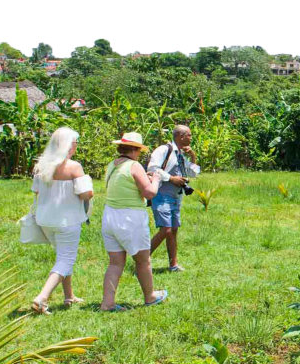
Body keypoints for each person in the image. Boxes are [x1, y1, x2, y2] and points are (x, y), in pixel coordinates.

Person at [29, 127, 94, 315]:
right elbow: (85, 195)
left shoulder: (42, 165)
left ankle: (69, 295)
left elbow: (36, 190)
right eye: (75, 143)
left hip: (45, 220)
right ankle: (42, 298)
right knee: (65, 259)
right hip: (67, 220)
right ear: (68, 145)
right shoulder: (74, 166)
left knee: (62, 256)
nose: (76, 147)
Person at [100, 132, 167, 311]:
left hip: (109, 216)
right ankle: (150, 297)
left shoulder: (112, 165)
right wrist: (156, 180)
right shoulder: (134, 166)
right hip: (129, 218)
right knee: (143, 261)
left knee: (115, 262)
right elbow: (149, 193)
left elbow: (126, 183)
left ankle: (107, 303)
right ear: (136, 150)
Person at [147, 125, 200, 272]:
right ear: (180, 136)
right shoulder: (164, 150)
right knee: (166, 229)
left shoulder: (181, 154)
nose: (191, 138)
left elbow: (194, 173)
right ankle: (142, 260)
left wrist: (193, 156)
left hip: (176, 196)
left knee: (173, 230)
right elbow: (152, 169)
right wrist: (171, 178)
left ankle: (173, 265)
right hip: (162, 194)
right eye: (189, 135)